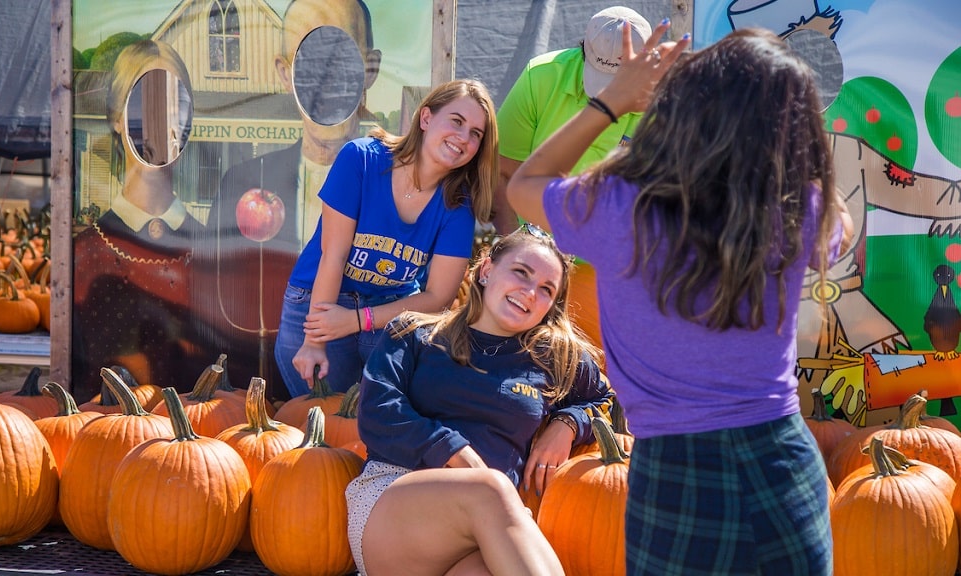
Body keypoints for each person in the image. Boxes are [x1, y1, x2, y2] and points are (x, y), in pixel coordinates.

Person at [507, 23, 854, 576]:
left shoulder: (619, 206)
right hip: (784, 463)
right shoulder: (799, 209)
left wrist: (613, 101)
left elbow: (525, 182)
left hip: (675, 470)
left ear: (686, 108)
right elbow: (840, 215)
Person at [346, 225, 615, 576]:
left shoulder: (554, 358)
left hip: (487, 530)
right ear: (487, 270)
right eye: (522, 272)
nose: (531, 292)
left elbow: (603, 399)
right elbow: (378, 410)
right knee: (491, 489)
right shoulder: (415, 333)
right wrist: (454, 451)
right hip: (395, 503)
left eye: (546, 290)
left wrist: (567, 424)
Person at [195, 0, 384, 400]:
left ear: (370, 69)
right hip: (252, 406)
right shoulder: (242, 184)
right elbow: (212, 308)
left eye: (341, 57)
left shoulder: (399, 192)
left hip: (358, 410)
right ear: (285, 73)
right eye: (309, 60)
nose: (326, 77)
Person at [275, 78, 499, 396]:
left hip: (391, 312)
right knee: (320, 426)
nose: (463, 138)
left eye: (475, 134)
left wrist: (358, 320)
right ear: (425, 118)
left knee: (386, 421)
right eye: (457, 121)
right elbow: (333, 255)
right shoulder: (361, 159)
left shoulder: (457, 205)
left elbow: (438, 298)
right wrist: (314, 341)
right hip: (319, 300)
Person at [492, 6, 653, 349]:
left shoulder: (666, 105)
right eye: (601, 77)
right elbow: (504, 173)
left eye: (621, 83)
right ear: (581, 48)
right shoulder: (542, 76)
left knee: (597, 371)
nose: (607, 96)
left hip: (608, 266)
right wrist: (515, 255)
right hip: (532, 249)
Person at [72, 39, 211, 402]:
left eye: (174, 102)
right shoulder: (83, 254)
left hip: (203, 449)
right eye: (144, 99)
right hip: (105, 446)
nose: (159, 117)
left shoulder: (217, 250)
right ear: (118, 118)